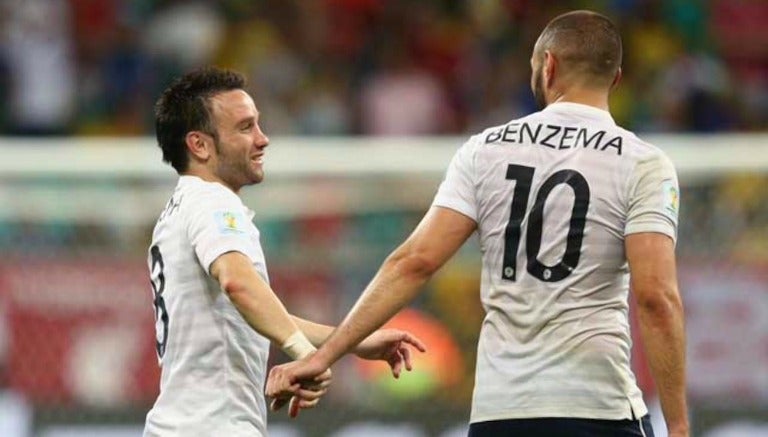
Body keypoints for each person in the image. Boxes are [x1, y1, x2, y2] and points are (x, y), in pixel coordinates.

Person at [266, 10, 688, 437]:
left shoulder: (485, 151)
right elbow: (655, 298)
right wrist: (679, 425)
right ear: (615, 80)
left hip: (501, 412)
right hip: (597, 408)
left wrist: (323, 356)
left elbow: (413, 262)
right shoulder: (643, 164)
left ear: (548, 65)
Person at [145, 67, 425, 437]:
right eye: (245, 128)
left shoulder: (180, 208)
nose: (263, 140)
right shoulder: (213, 203)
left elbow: (251, 308)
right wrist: (305, 355)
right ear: (199, 145)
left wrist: (352, 343)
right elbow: (239, 285)